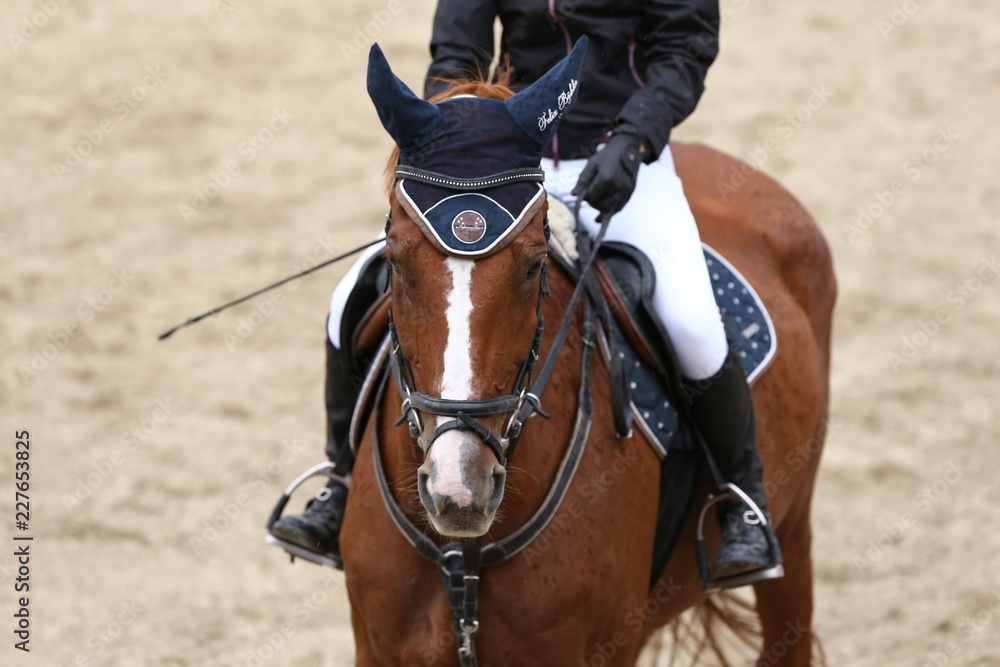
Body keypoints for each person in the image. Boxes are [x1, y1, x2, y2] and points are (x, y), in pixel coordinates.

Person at [269, 0, 781, 587]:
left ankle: (741, 499)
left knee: (690, 322)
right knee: (349, 299)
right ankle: (338, 482)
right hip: (495, 163)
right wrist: (454, 132)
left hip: (620, 160)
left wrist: (635, 138)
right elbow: (457, 47)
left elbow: (684, 46)